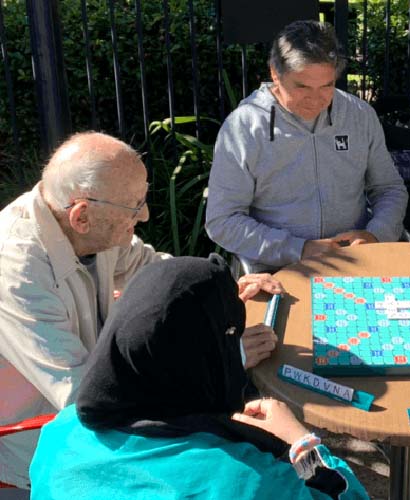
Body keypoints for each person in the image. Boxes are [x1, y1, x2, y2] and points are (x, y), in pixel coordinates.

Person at [0, 132, 283, 489]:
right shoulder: (15, 272)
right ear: (81, 216)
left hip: (105, 418)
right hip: (50, 448)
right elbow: (85, 396)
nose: (145, 214)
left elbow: (153, 270)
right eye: (134, 206)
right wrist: (223, 358)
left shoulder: (84, 226)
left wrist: (220, 286)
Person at [29, 255, 368, 499]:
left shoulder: (58, 434)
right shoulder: (250, 481)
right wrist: (300, 442)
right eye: (230, 339)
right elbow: (347, 495)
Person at [206, 20, 409, 272]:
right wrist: (299, 248)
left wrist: (376, 235)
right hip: (276, 269)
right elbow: (222, 220)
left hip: (356, 260)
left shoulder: (359, 115)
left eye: (327, 85)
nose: (315, 99)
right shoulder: (243, 127)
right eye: (302, 86)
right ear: (274, 73)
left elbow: (389, 189)